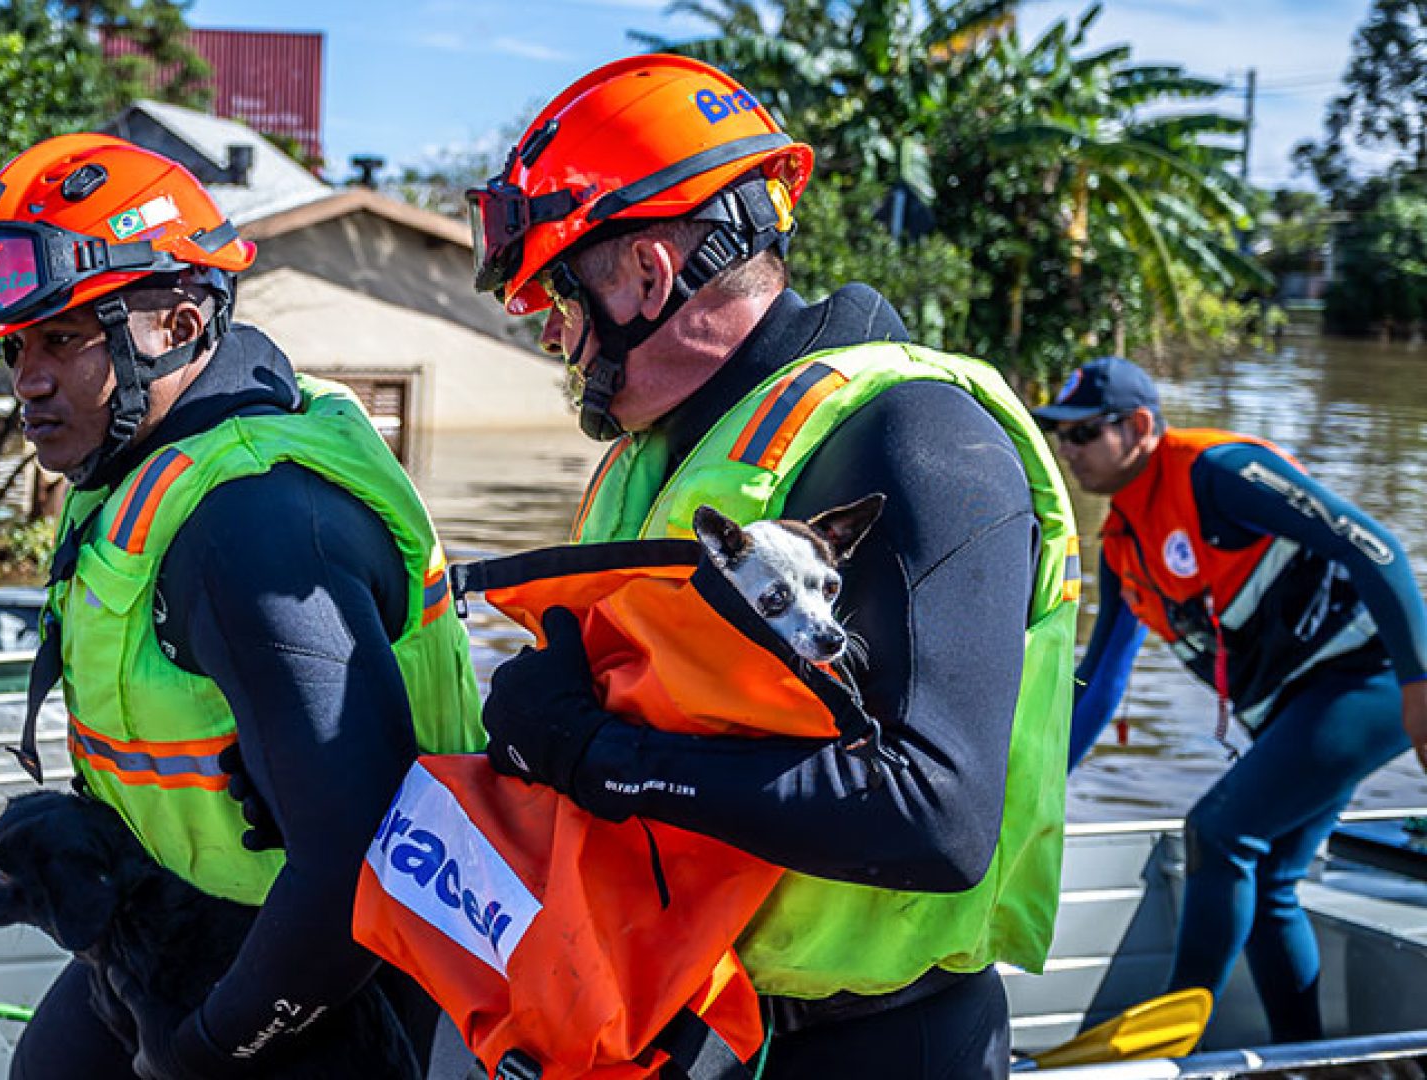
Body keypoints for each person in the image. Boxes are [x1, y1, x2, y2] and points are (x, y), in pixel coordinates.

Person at [461, 55, 1080, 1077]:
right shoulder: (654, 461)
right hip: (682, 1021)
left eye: (561, 304)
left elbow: (939, 820)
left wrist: (596, 757)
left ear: (651, 278)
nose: (559, 343)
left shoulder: (917, 441)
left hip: (874, 1047)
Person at [0, 134, 485, 1077]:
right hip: (183, 912)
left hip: (324, 971)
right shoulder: (144, 468)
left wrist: (207, 1048)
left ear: (176, 328)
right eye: (17, 348)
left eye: (62, 340)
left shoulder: (251, 529)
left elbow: (354, 861)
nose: (28, 382)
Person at [1039, 355, 1427, 1043]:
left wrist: (1418, 685)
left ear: (1139, 426)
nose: (1067, 451)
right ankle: (1302, 1057)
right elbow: (1100, 685)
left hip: (1369, 679)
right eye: (1058, 435)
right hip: (1298, 706)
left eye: (1083, 433)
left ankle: (1169, 1030)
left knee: (1220, 833)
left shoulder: (1218, 474)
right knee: (1273, 881)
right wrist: (1038, 793)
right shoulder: (1124, 543)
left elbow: (1379, 548)